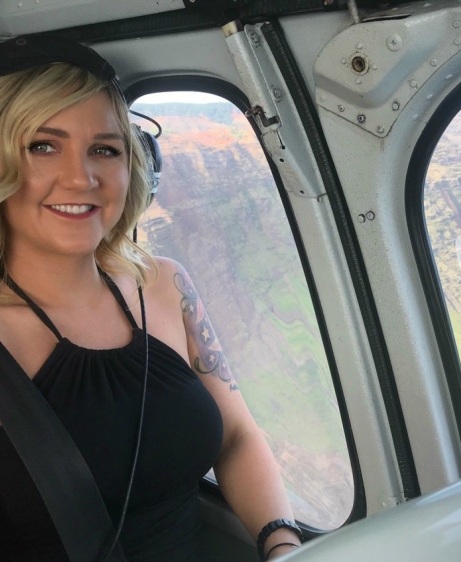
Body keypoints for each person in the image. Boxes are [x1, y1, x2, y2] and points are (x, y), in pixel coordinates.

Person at [0, 35, 303, 561]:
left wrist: (284, 545)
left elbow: (236, 436)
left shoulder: (163, 285)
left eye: (105, 149)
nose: (81, 177)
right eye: (43, 146)